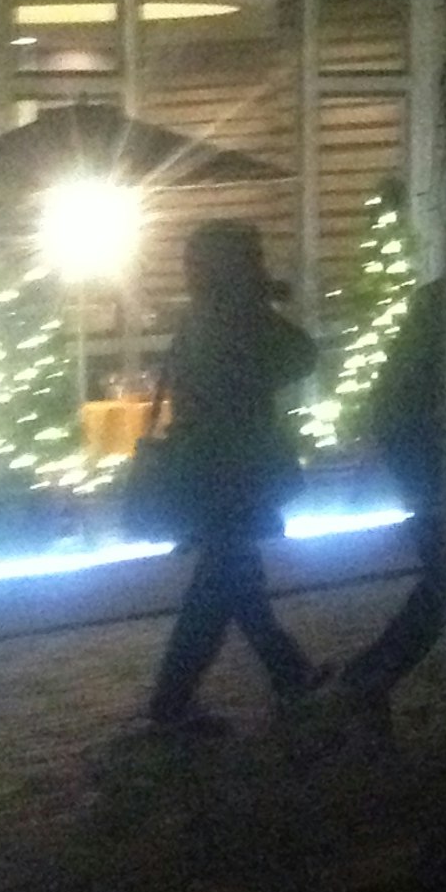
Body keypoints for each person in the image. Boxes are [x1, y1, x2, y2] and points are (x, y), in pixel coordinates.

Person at [141, 219, 323, 736]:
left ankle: (289, 672)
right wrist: (261, 305)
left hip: (211, 471)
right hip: (232, 472)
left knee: (235, 579)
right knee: (221, 585)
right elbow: (300, 355)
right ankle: (170, 703)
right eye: (254, 259)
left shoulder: (201, 318)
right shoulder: (235, 321)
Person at [336, 278, 446, 711]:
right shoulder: (438, 356)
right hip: (436, 469)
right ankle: (369, 676)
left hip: (426, 469)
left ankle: (371, 675)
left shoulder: (411, 353)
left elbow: (387, 411)